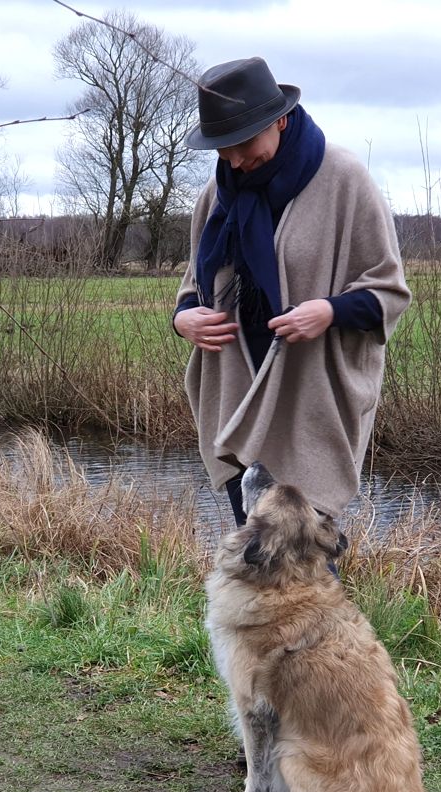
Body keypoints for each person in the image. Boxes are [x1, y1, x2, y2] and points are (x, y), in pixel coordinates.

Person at [173, 56, 410, 537]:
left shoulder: (344, 180)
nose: (235, 160)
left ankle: (317, 618)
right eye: (223, 149)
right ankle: (272, 617)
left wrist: (329, 311)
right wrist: (184, 318)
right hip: (239, 393)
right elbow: (193, 287)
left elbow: (388, 290)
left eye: (243, 144)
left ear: (279, 119)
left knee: (303, 552)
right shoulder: (216, 197)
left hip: (309, 396)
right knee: (260, 550)